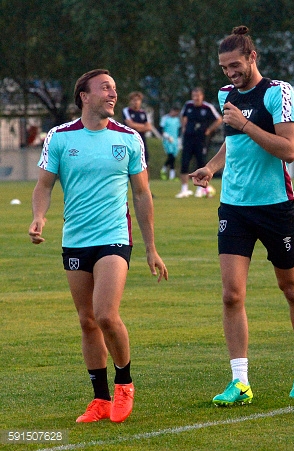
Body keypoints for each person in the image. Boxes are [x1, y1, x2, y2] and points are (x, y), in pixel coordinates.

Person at [28, 69, 168, 423]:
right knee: (87, 321)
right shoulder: (59, 137)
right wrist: (39, 217)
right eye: (105, 88)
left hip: (114, 237)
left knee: (106, 314)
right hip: (75, 240)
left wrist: (151, 248)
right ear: (84, 96)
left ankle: (124, 384)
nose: (112, 94)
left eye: (114, 89)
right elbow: (44, 185)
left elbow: (141, 194)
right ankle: (100, 399)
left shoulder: (129, 138)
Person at [189, 26, 294, 404]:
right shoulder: (226, 95)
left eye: (235, 65)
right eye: (224, 68)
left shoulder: (279, 93)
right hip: (234, 207)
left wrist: (245, 123)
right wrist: (211, 167)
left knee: (292, 290)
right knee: (231, 295)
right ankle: (240, 381)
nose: (230, 74)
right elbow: (235, 144)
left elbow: (288, 149)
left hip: (276, 206)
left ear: (252, 57)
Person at [176, 87, 222, 198]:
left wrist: (209, 130)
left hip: (200, 140)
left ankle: (199, 189)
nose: (195, 98)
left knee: (200, 163)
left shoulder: (207, 107)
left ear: (202, 96)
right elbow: (182, 116)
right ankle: (184, 189)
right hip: (188, 138)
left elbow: (219, 119)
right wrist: (184, 126)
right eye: (193, 96)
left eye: (198, 96)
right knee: (185, 163)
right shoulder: (188, 105)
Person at [122, 91, 153, 166]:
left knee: (145, 160)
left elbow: (149, 127)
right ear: (130, 101)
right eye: (134, 100)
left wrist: (137, 127)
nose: (136, 102)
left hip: (141, 139)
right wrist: (143, 126)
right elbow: (130, 124)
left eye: (138, 100)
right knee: (130, 161)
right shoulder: (126, 111)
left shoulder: (143, 113)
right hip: (130, 139)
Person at [159, 105, 181, 181]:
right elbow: (161, 129)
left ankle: (164, 169)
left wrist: (179, 140)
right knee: (171, 156)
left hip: (175, 140)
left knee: (173, 157)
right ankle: (172, 175)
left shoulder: (177, 120)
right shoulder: (165, 118)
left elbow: (179, 130)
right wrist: (167, 136)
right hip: (167, 140)